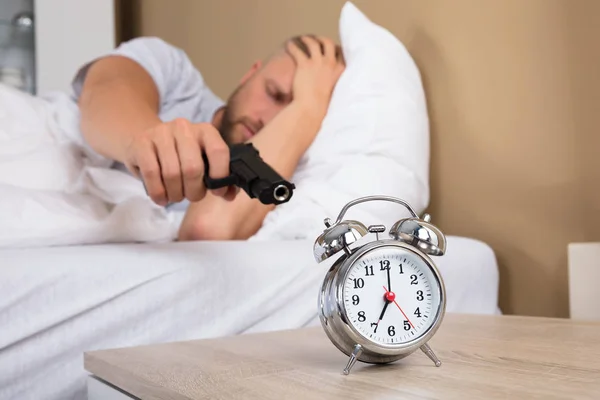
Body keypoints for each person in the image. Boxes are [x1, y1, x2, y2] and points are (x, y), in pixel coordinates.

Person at [73, 35, 345, 242]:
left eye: (290, 113)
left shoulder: (285, 177)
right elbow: (102, 97)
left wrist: (308, 107)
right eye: (273, 94)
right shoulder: (175, 75)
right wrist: (147, 143)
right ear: (251, 74)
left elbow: (204, 231)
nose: (269, 119)